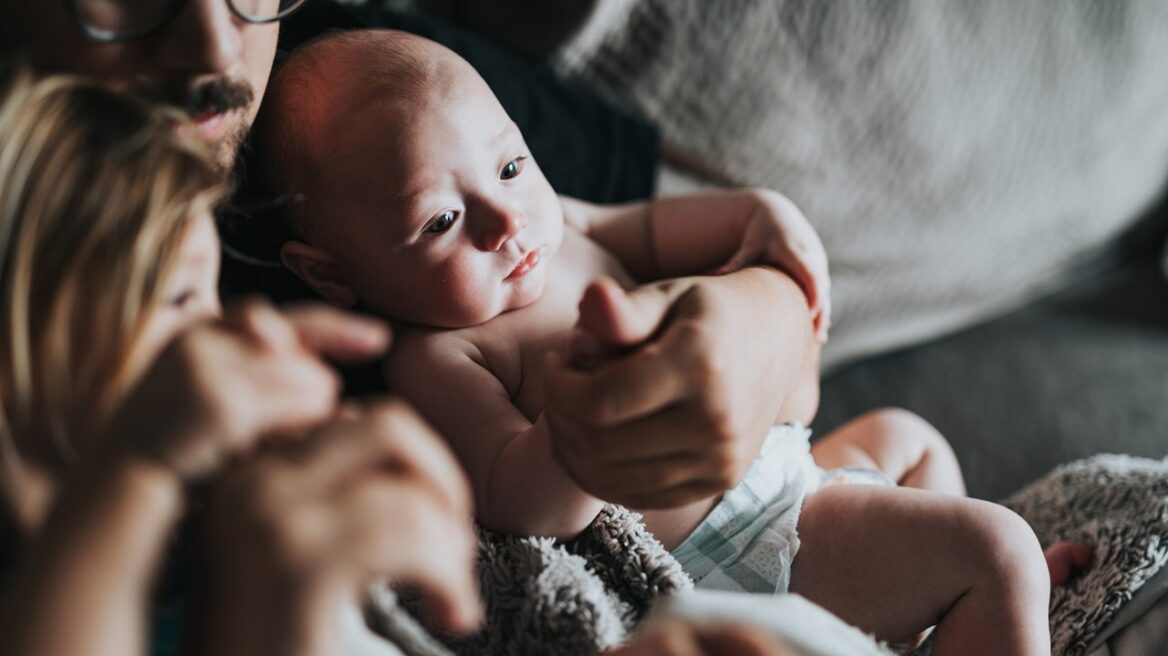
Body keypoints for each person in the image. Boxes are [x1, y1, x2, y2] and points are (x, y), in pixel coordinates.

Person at [255, 30, 1092, 654]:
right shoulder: (441, 356)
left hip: (792, 480)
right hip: (739, 556)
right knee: (999, 546)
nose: (506, 222)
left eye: (510, 167)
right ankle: (987, 590)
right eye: (440, 220)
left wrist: (762, 213)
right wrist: (575, 423)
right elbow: (518, 500)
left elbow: (658, 227)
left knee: (912, 436)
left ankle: (964, 621)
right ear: (333, 277)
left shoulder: (566, 223)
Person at [0, 0, 822, 514]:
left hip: (794, 461)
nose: (216, 42)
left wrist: (763, 324)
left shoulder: (365, 65)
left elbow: (720, 258)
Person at [0, 64, 482, 656]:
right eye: (179, 297)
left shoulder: (201, 531)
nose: (234, 327)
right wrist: (142, 468)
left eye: (213, 295)